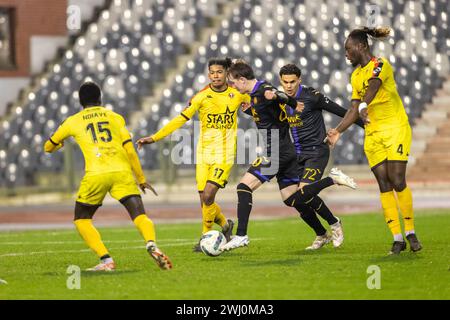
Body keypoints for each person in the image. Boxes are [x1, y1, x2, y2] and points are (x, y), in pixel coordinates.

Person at [221, 60, 357, 252]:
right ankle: (323, 232)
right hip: (288, 151)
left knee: (244, 187)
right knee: (292, 199)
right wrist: (251, 110)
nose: (232, 87)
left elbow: (276, 95)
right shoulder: (254, 96)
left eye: (233, 82)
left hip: (278, 151)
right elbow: (273, 111)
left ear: (242, 80)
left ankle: (241, 235)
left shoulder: (264, 91)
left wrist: (292, 102)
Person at [44, 82, 172, 271]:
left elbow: (48, 147)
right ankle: (151, 243)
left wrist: (60, 144)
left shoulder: (72, 121)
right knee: (140, 216)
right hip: (122, 172)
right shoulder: (115, 117)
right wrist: (141, 179)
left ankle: (106, 260)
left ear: (81, 101)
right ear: (100, 99)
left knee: (82, 219)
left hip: (96, 174)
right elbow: (129, 150)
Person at [136, 57, 250, 252]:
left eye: (219, 72)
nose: (216, 75)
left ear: (226, 74)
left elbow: (256, 97)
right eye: (212, 72)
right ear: (208, 75)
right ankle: (224, 225)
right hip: (204, 153)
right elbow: (179, 120)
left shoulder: (237, 95)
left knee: (208, 196)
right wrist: (154, 138)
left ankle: (205, 238)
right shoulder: (201, 97)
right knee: (204, 201)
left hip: (225, 153)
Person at [326, 26, 422, 255]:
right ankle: (397, 238)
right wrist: (339, 131)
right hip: (373, 134)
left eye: (348, 49)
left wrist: (363, 105)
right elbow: (352, 108)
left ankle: (410, 231)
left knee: (398, 179)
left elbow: (373, 87)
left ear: (362, 46)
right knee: (384, 183)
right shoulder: (355, 74)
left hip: (395, 128)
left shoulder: (381, 64)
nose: (346, 54)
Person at [277, 63, 365, 249]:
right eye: (285, 82)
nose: (289, 86)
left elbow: (342, 111)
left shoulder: (312, 96)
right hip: (297, 155)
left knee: (303, 193)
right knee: (293, 200)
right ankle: (322, 234)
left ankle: (334, 215)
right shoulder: (282, 99)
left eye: (293, 81)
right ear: (281, 81)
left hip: (317, 151)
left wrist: (366, 125)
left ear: (299, 80)